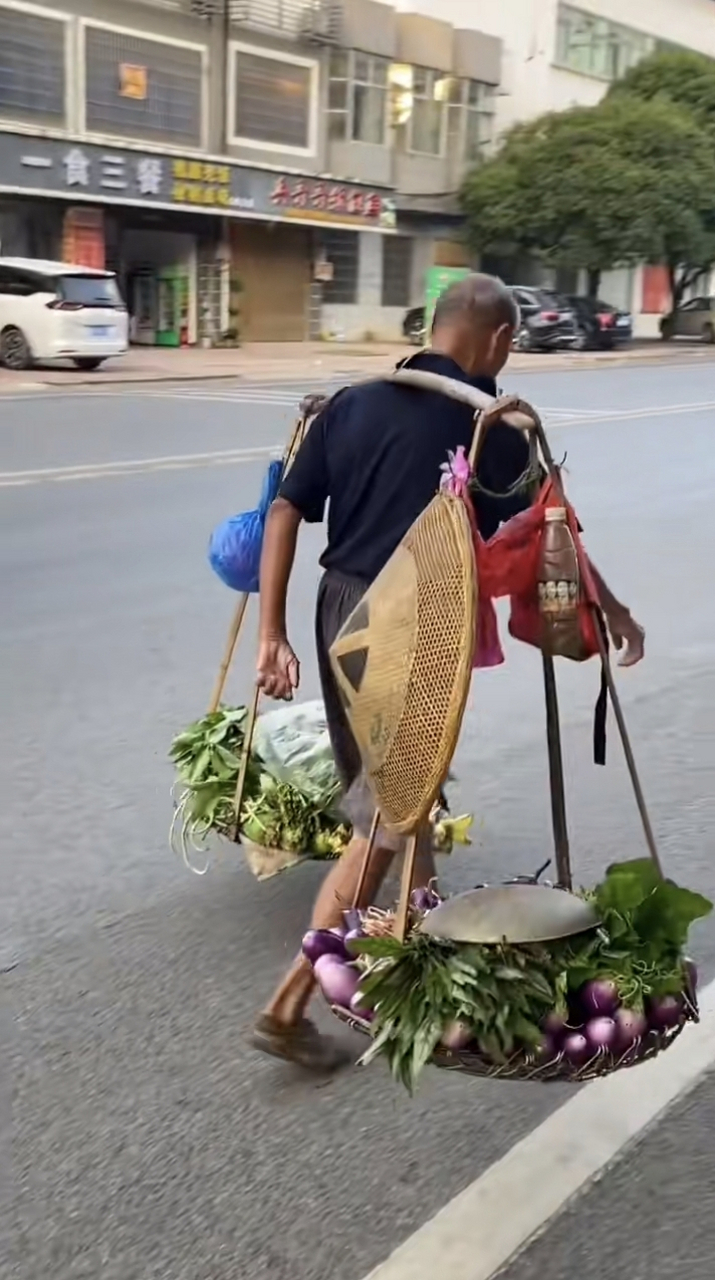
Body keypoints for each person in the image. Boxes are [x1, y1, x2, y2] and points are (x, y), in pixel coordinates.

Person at [251, 273, 645, 1070]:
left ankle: (409, 934)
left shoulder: (352, 401)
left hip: (337, 611)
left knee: (401, 793)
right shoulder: (491, 427)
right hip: (412, 624)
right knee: (388, 818)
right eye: (512, 344)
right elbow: (551, 541)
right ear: (496, 339)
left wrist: (270, 632)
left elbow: (286, 507)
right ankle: (287, 1003)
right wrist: (615, 615)